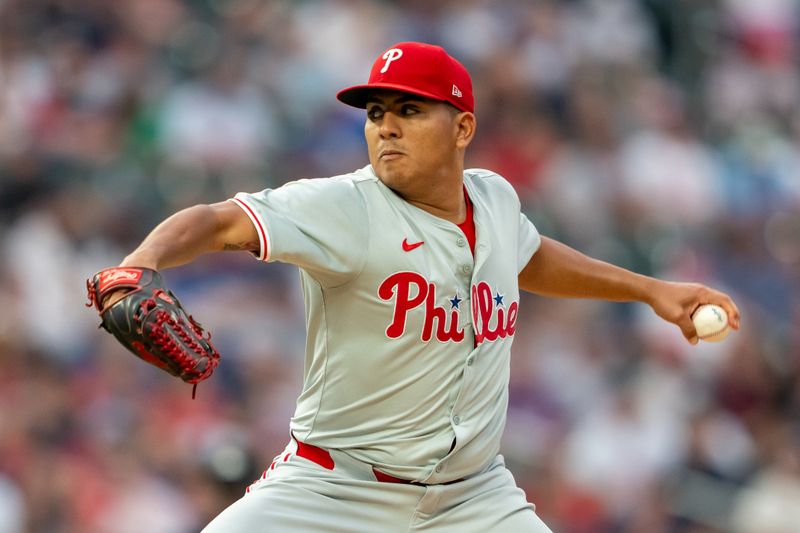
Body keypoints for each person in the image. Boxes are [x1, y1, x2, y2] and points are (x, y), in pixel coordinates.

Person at [104, 42, 740, 532]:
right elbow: (220, 221)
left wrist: (650, 290)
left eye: (409, 110)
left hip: (474, 497)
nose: (386, 127)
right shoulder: (344, 207)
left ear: (462, 128)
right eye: (377, 114)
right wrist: (140, 263)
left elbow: (530, 256)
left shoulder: (492, 198)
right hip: (334, 490)